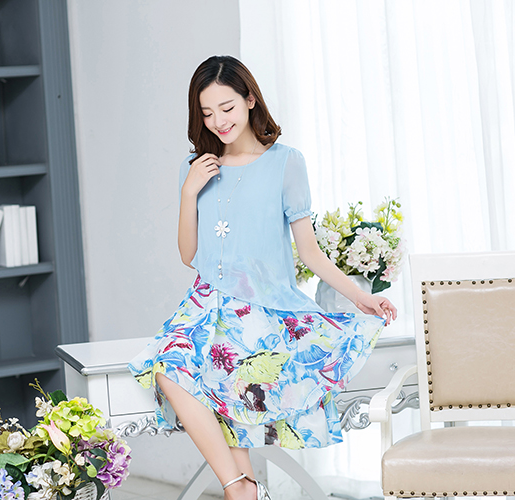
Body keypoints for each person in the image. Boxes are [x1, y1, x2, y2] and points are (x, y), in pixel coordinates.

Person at [128, 55, 397, 500]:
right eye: (207, 113)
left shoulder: (286, 163)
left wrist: (359, 297)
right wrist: (189, 191)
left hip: (264, 307)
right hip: (204, 307)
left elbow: (309, 252)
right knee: (169, 370)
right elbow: (188, 255)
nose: (218, 121)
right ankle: (241, 486)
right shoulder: (194, 168)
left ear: (250, 99)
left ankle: (242, 489)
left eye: (227, 108)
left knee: (225, 383)